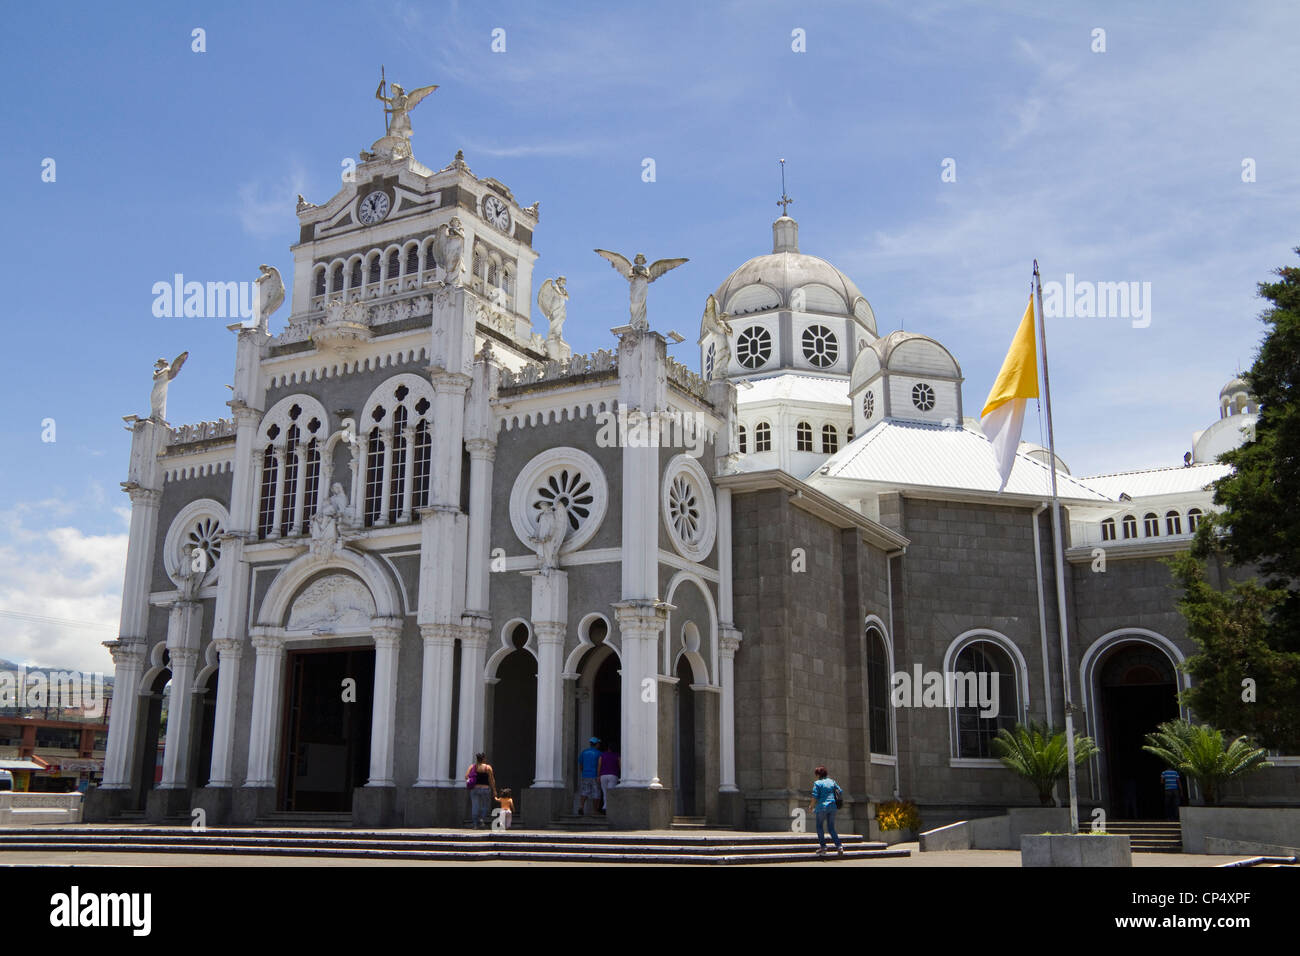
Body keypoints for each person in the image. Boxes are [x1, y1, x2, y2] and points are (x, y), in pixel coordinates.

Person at [808, 765, 844, 857]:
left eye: (816, 774)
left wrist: (811, 806)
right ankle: (839, 846)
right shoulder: (832, 781)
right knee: (831, 828)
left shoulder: (817, 783)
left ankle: (823, 847)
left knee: (819, 827)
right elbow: (840, 791)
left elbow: (815, 796)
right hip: (832, 806)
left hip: (822, 807)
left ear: (818, 775)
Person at [466, 752, 497, 829]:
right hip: (485, 789)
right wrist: (494, 790)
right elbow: (491, 780)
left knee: (475, 806)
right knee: (484, 805)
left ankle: (475, 824)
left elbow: (466, 776)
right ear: (483, 759)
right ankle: (482, 819)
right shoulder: (487, 768)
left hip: (475, 789)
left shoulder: (472, 767)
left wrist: (472, 780)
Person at [577, 736, 602, 815]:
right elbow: (600, 765)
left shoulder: (584, 752)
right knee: (596, 793)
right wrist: (599, 775)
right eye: (598, 743)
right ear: (596, 744)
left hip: (585, 775)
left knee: (584, 792)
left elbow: (580, 764)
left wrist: (583, 772)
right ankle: (595, 811)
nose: (599, 744)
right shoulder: (599, 753)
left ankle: (581, 806)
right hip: (595, 775)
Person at [598, 741, 621, 813]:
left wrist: (598, 776)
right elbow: (620, 766)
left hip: (603, 775)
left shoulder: (602, 755)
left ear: (608, 748)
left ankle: (605, 807)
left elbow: (599, 765)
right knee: (610, 791)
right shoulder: (617, 755)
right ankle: (607, 807)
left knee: (605, 792)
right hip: (613, 775)